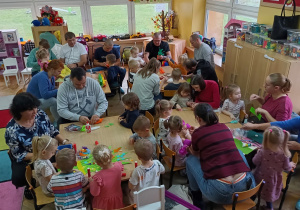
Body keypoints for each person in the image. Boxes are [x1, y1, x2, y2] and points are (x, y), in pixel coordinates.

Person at [187, 103, 255, 207]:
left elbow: (196, 153)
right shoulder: (224, 127)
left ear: (198, 118)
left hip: (220, 194)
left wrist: (190, 140)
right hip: (246, 189)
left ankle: (197, 200)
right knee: (238, 152)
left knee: (190, 160)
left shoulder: (197, 134)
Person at [5, 93, 68, 190]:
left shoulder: (40, 114)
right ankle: (31, 186)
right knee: (20, 176)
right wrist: (41, 156)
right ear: (19, 111)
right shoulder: (12, 130)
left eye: (35, 107)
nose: (35, 111)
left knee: (66, 158)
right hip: (30, 157)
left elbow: (52, 130)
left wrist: (64, 141)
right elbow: (19, 154)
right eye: (30, 109)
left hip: (47, 151)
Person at [253, 126, 295, 210]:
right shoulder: (284, 154)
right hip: (273, 181)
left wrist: (258, 152)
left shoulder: (262, 151)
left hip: (259, 179)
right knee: (269, 196)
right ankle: (270, 207)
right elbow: (287, 167)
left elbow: (255, 161)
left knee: (255, 191)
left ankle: (250, 202)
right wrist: (291, 164)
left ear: (266, 139)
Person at [27, 59, 64, 124]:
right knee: (53, 101)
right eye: (59, 71)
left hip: (39, 98)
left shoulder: (51, 76)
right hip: (31, 103)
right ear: (52, 70)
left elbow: (51, 90)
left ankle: (58, 119)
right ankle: (59, 122)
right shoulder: (42, 77)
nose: (60, 73)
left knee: (57, 98)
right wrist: (58, 90)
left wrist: (59, 89)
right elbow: (45, 95)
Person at [90, 145, 124, 209]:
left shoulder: (98, 177)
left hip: (103, 206)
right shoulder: (118, 166)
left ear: (97, 163)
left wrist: (91, 182)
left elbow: (94, 193)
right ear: (111, 156)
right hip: (117, 203)